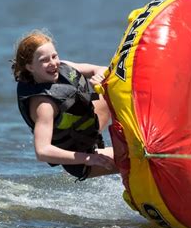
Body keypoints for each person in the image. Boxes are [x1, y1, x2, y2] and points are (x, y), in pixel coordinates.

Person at [11, 30, 117, 181]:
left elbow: (99, 69)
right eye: (44, 60)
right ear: (30, 67)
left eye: (54, 56)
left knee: (113, 85)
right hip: (81, 158)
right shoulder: (44, 105)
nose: (53, 63)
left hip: (88, 129)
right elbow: (42, 151)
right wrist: (88, 159)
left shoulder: (63, 68)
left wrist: (99, 77)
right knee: (133, 160)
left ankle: (137, 133)